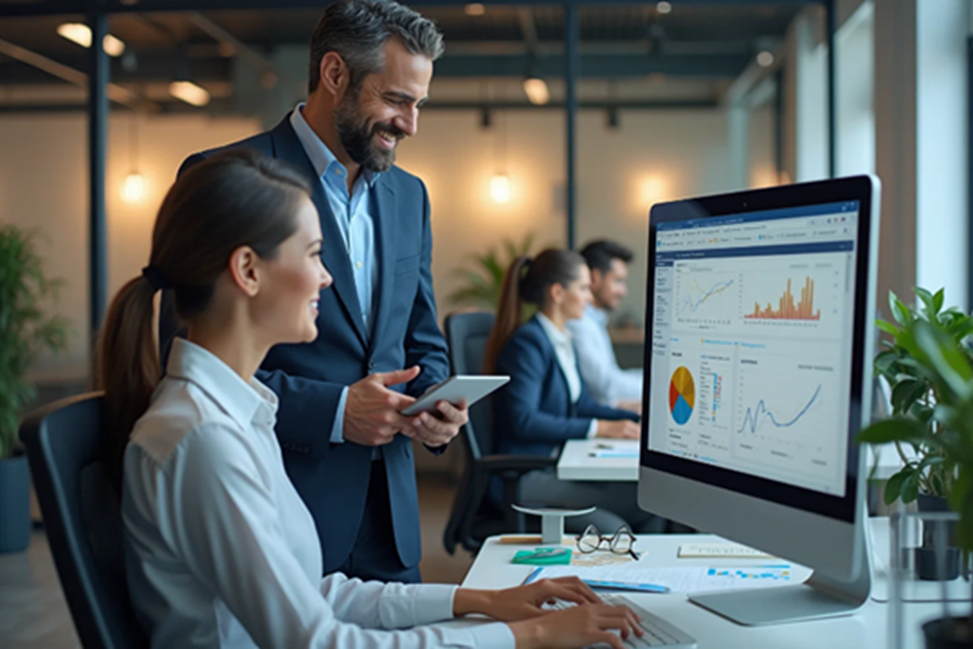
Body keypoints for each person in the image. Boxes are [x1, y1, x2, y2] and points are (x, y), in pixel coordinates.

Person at [101, 150, 643, 649]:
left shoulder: (240, 411)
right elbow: (319, 641)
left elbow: (317, 593)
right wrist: (532, 635)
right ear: (247, 270)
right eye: (313, 254)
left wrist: (483, 601)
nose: (327, 276)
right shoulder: (204, 440)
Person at [161, 0, 459, 584]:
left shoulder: (411, 196)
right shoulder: (228, 177)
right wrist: (336, 412)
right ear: (334, 74)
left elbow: (421, 337)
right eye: (396, 100)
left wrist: (436, 402)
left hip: (393, 521)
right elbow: (185, 359)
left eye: (419, 104)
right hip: (281, 506)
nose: (410, 124)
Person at [483, 249, 662, 534]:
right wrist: (598, 428)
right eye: (582, 288)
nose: (590, 298)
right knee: (633, 513)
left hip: (558, 463)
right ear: (557, 293)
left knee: (652, 502)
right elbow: (524, 420)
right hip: (527, 476)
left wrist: (632, 420)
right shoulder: (528, 344)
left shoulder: (561, 339)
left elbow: (582, 404)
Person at [567, 240, 643, 409]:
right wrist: (655, 384)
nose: (624, 291)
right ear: (595, 277)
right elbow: (606, 386)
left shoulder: (595, 320)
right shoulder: (579, 322)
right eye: (617, 281)